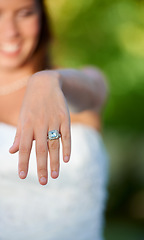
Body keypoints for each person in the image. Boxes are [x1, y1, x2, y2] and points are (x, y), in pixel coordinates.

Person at [0, 0, 109, 239]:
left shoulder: (72, 85)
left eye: (25, 13)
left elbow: (95, 89)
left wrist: (49, 80)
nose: (10, 31)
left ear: (42, 17)